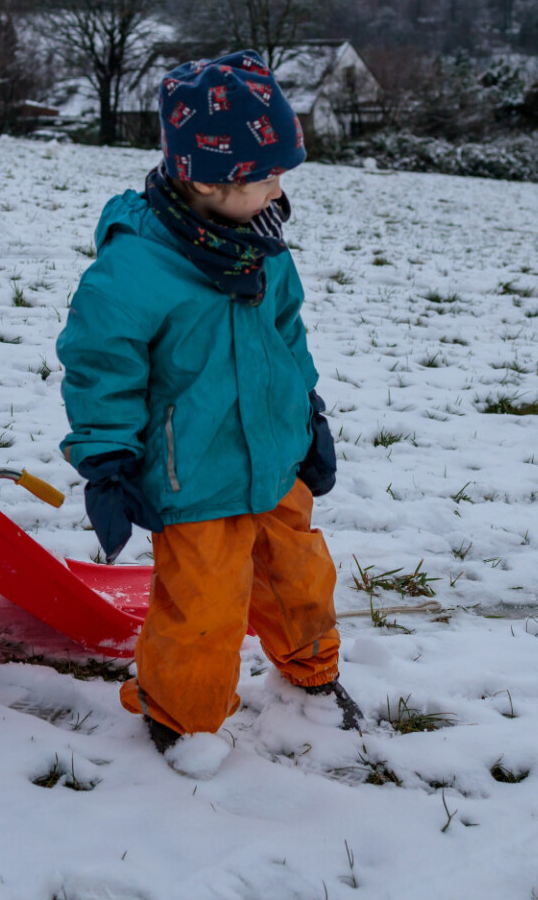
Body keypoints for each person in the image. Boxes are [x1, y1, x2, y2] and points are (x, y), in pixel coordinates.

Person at [56, 53, 358, 772]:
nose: (277, 190)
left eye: (282, 173)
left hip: (276, 456)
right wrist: (105, 459)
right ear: (201, 178)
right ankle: (181, 719)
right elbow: (100, 365)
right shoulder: (134, 271)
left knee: (299, 577)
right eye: (263, 177)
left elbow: (287, 334)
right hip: (195, 476)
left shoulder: (264, 246)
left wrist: (308, 410)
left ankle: (312, 672)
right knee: (203, 608)